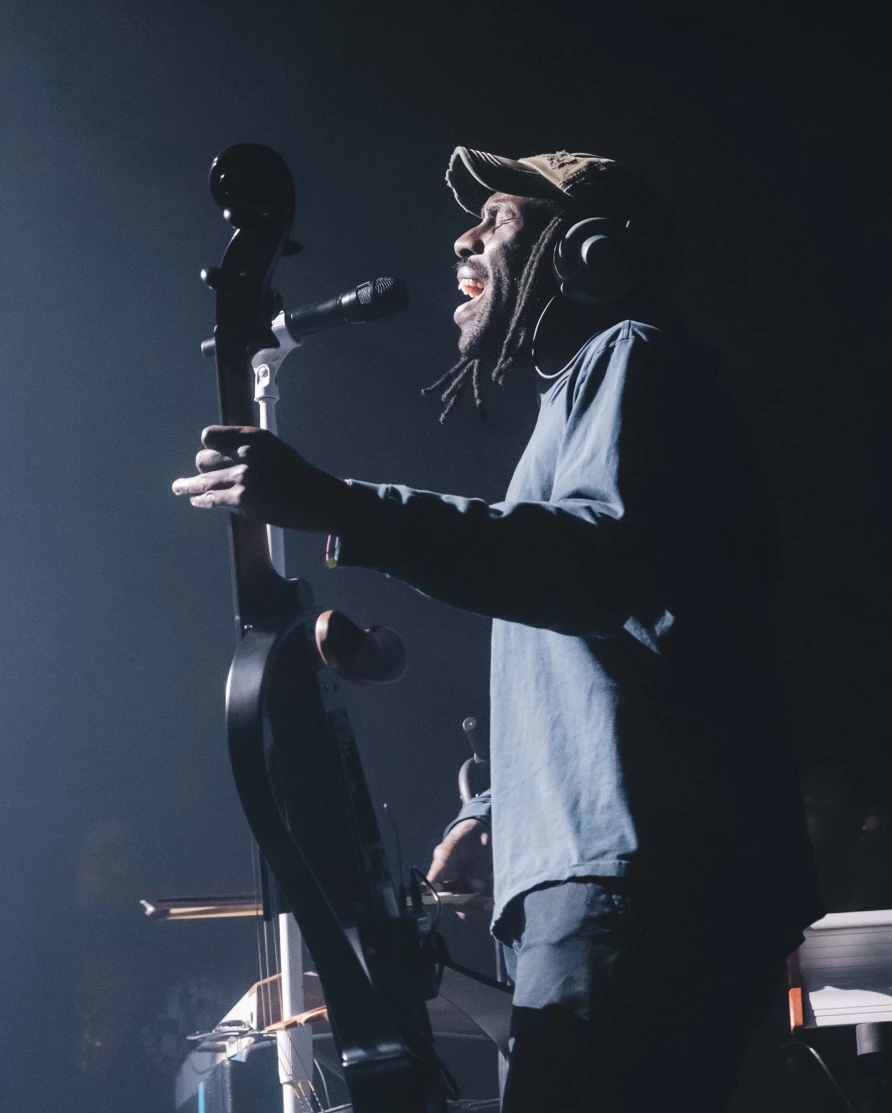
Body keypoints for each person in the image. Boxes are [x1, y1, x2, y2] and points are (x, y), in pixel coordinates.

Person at [173, 147, 823, 1111]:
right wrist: (495, 818)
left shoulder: (632, 354)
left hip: (636, 886)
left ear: (586, 254)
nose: (462, 237)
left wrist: (337, 501)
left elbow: (595, 561)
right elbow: (607, 648)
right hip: (602, 879)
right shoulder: (574, 405)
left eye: (499, 219)